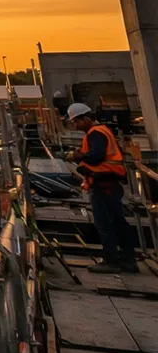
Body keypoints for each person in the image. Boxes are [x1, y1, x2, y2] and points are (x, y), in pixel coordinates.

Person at [66, 103, 137, 273]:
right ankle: (126, 258)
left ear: (86, 118)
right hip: (107, 182)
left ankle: (112, 260)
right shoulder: (101, 131)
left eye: (77, 122)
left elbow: (96, 157)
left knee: (105, 222)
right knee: (116, 221)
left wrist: (76, 156)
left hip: (103, 183)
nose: (75, 126)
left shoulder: (95, 133)